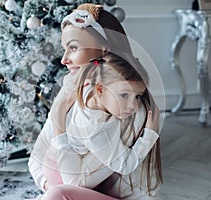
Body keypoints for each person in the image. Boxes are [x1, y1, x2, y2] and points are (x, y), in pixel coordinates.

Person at [28, 3, 162, 199]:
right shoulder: (72, 89)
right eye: (65, 49)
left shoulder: (127, 108)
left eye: (73, 48)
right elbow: (36, 159)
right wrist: (49, 185)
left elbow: (75, 182)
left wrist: (57, 117)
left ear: (104, 51)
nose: (64, 59)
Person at [40, 52, 162, 200]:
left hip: (59, 168)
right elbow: (125, 165)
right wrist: (150, 135)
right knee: (57, 195)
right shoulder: (95, 129)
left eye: (137, 96)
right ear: (99, 89)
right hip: (61, 174)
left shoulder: (92, 94)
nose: (134, 106)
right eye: (124, 95)